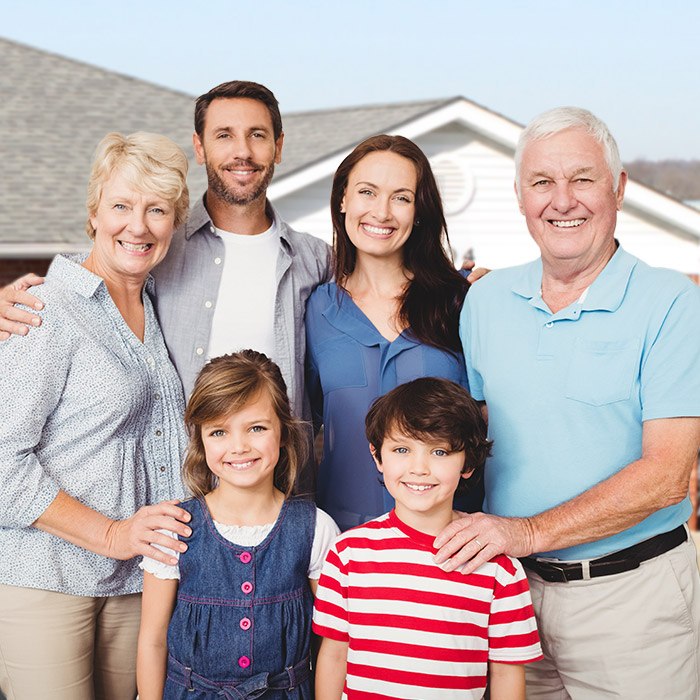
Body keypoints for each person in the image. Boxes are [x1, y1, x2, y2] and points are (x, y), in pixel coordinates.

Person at [436, 107, 700, 698]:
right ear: (520, 198)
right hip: (509, 598)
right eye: (541, 183)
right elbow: (473, 441)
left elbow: (666, 475)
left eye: (582, 178)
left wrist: (526, 532)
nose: (562, 201)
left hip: (632, 602)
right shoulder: (486, 301)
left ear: (619, 188)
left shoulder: (672, 304)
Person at [0, 80, 332, 425]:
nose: (242, 152)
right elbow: (84, 291)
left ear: (278, 147)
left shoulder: (317, 261)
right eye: (224, 135)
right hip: (176, 477)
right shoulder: (155, 249)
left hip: (282, 476)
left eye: (257, 135)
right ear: (199, 147)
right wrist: (12, 302)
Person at [0, 132, 194, 699]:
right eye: (122, 206)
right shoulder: (44, 309)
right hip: (46, 579)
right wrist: (111, 533)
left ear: (174, 224)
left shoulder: (157, 309)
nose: (138, 225)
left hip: (136, 581)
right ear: (93, 214)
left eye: (157, 210)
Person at [313, 377, 542, 699]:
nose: (419, 468)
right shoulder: (348, 554)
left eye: (439, 451)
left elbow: (506, 673)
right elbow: (334, 654)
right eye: (402, 449)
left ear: (468, 463)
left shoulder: (499, 569)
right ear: (377, 456)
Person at [137, 350, 339, 699]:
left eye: (256, 428)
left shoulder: (316, 528)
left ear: (284, 432)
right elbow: (152, 641)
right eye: (219, 432)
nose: (239, 447)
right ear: (200, 438)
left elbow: (334, 643)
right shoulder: (174, 527)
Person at [306, 134, 482, 532]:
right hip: (346, 542)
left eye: (401, 197)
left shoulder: (462, 301)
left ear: (419, 211)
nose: (381, 212)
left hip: (451, 541)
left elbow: (491, 420)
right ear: (342, 200)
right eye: (367, 192)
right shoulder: (316, 309)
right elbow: (304, 422)